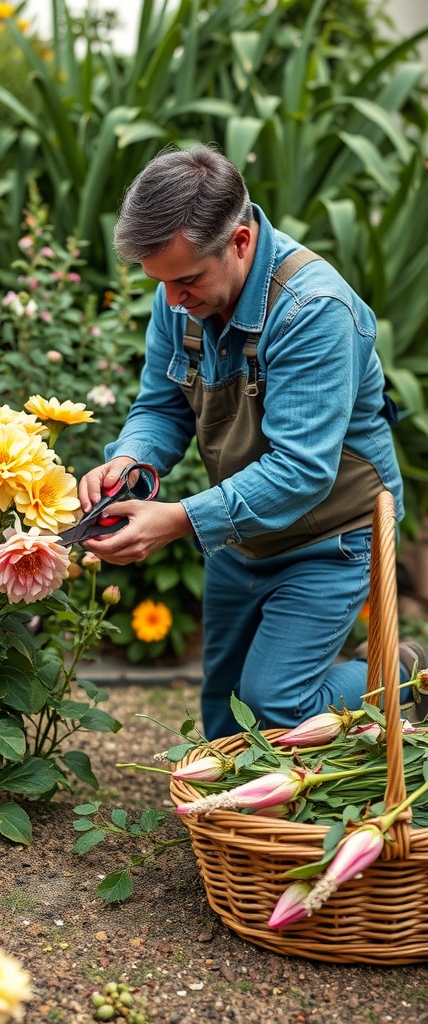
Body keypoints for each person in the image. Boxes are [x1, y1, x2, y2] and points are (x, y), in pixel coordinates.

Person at [78, 143, 427, 740]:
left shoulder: (314, 311)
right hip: (243, 535)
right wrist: (129, 461)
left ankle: (410, 672)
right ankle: (243, 824)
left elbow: (300, 471)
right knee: (223, 710)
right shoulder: (180, 295)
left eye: (185, 281)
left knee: (274, 705)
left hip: (333, 535)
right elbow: (162, 407)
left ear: (240, 242)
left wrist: (178, 520)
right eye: (158, 283)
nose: (170, 301)